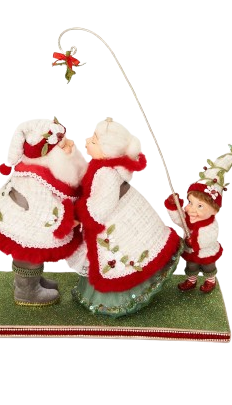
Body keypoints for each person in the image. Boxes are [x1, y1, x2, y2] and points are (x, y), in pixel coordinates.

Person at [67, 117, 181, 317]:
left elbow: (101, 207)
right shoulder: (101, 166)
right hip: (116, 212)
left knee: (119, 254)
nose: (87, 141)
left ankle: (118, 299)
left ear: (106, 151)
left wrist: (78, 215)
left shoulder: (107, 173)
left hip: (118, 219)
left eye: (93, 141)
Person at [0, 118, 87, 306]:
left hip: (27, 221)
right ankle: (26, 291)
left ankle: (33, 281)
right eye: (63, 145)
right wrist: (67, 221)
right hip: (23, 225)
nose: (71, 144)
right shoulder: (34, 180)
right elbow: (43, 209)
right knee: (28, 253)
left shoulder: (46, 171)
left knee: (33, 254)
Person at [165, 142, 232, 293]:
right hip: (192, 253)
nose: (192, 209)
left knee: (209, 267)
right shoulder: (188, 218)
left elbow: (209, 237)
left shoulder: (211, 225)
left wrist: (195, 242)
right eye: (190, 202)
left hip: (206, 252)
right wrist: (173, 206)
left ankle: (210, 280)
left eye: (200, 206)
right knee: (191, 267)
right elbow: (178, 219)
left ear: (214, 210)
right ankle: (191, 280)